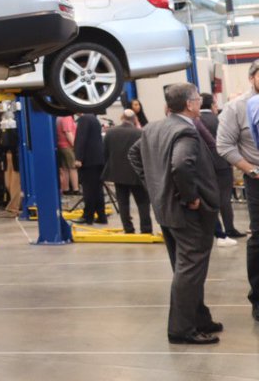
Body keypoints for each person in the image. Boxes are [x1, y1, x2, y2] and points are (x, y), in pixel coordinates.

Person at [129, 82, 221, 345]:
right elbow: (181, 165)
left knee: (187, 269)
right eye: (197, 99)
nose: (200, 102)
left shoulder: (153, 128)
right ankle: (182, 329)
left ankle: (199, 318)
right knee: (190, 269)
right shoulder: (185, 131)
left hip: (166, 210)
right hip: (188, 213)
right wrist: (191, 197)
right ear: (190, 104)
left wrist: (155, 185)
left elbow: (133, 154)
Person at [216, 59, 259, 320]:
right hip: (257, 179)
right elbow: (224, 145)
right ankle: (258, 299)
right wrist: (252, 170)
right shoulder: (237, 107)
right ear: (252, 77)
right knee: (258, 239)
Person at [199, 92, 243, 245]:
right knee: (224, 199)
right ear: (212, 104)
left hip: (204, 166)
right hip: (222, 164)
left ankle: (215, 231)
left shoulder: (195, 120)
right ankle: (229, 229)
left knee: (209, 199)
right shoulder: (219, 119)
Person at [103, 111, 152, 234]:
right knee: (143, 203)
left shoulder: (111, 132)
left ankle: (128, 229)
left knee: (123, 203)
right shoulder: (140, 133)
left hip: (118, 174)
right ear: (135, 119)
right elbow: (146, 154)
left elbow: (105, 153)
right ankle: (146, 229)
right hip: (137, 174)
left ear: (121, 118)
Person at [74, 111, 108, 224]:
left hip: (89, 161)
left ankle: (88, 216)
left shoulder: (84, 119)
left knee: (89, 190)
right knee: (97, 190)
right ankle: (101, 216)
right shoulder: (93, 118)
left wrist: (78, 158)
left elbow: (81, 139)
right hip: (98, 159)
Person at [56, 114, 79, 195]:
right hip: (68, 146)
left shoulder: (59, 117)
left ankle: (66, 189)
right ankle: (76, 189)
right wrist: (75, 146)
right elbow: (68, 132)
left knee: (65, 168)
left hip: (61, 145)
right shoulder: (67, 117)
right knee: (73, 168)